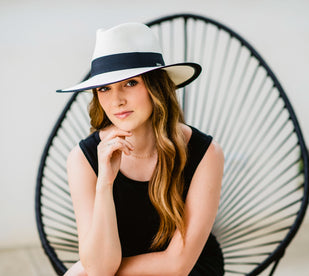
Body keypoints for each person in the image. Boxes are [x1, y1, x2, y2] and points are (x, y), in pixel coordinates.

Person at [57, 22, 225, 276]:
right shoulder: (84, 160)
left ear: (156, 87)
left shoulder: (206, 154)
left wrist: (87, 271)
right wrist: (104, 183)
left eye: (130, 83)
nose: (116, 100)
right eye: (105, 88)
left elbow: (178, 265)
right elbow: (100, 268)